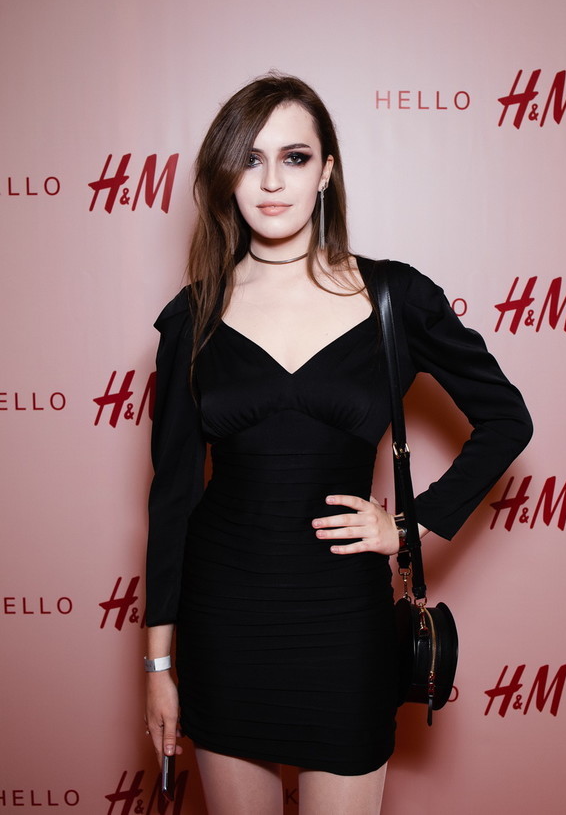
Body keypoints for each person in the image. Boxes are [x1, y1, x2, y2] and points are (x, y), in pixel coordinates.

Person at [144, 73, 533, 815]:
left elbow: (506, 419)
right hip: (224, 620)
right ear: (226, 175)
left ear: (325, 172)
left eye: (293, 158)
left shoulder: (393, 298)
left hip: (344, 625)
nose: (271, 182)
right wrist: (158, 666)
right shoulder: (193, 316)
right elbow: (171, 500)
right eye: (249, 159)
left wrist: (409, 527)